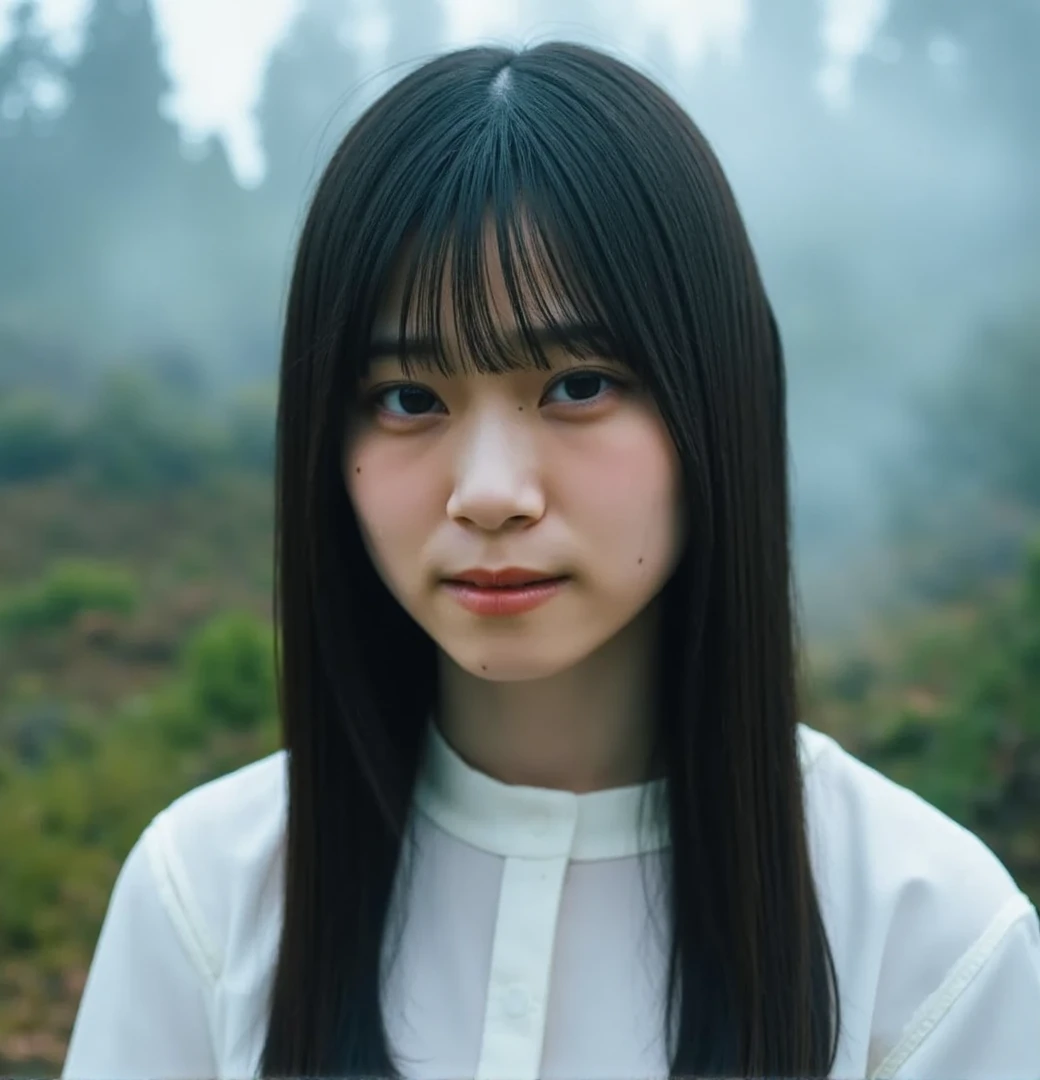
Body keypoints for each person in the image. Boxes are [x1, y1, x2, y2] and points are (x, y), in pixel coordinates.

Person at [62, 41, 1040, 1080]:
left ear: (713, 399)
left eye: (577, 385)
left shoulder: (923, 938)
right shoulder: (208, 896)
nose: (488, 491)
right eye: (407, 398)